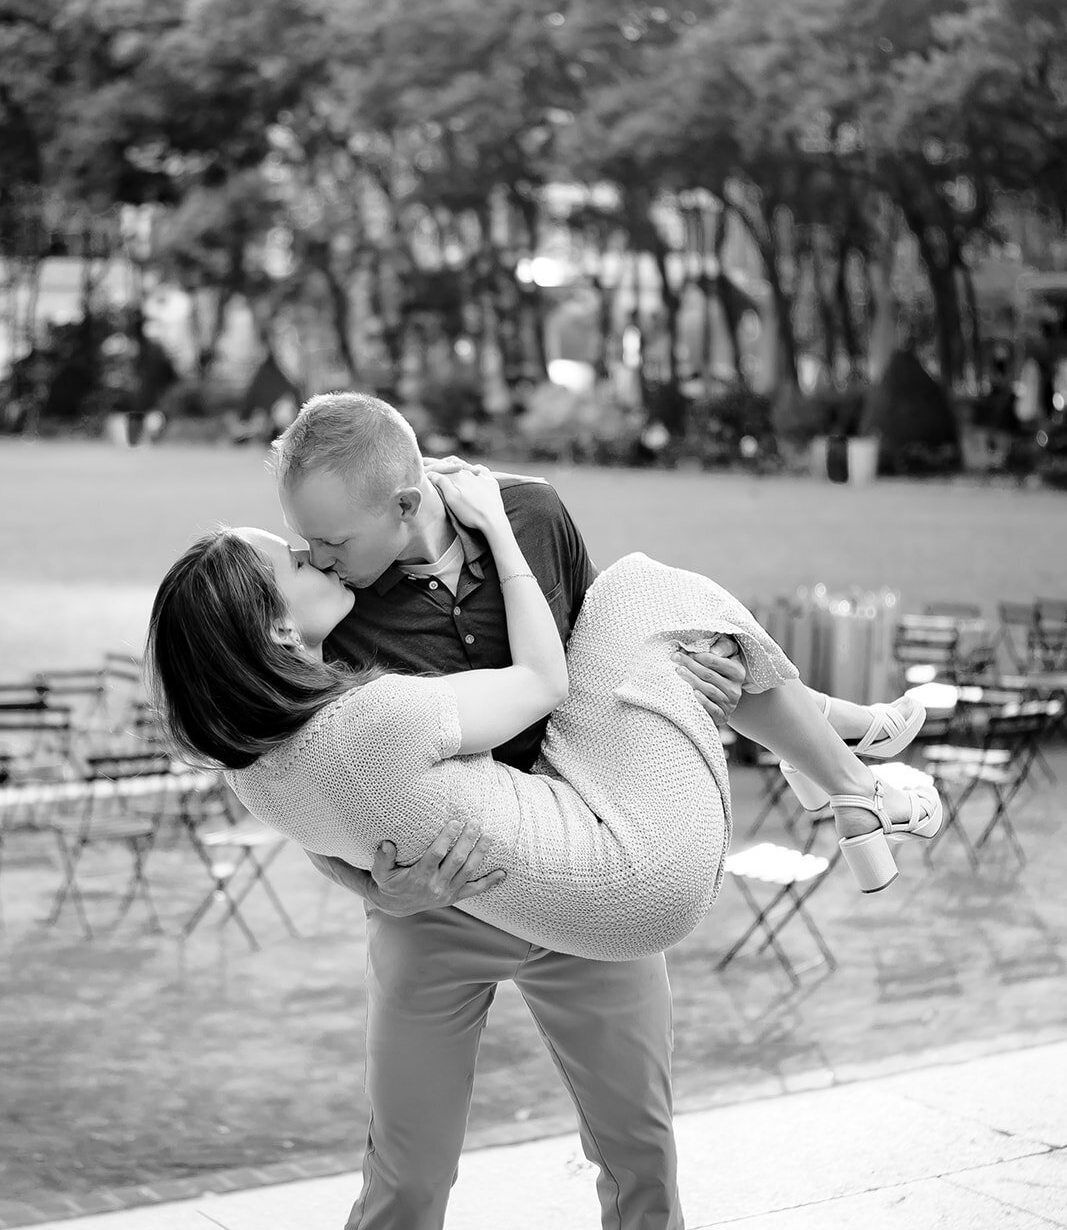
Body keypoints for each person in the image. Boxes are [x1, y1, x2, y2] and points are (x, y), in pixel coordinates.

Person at [147, 396, 940, 1230]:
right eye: (305, 547)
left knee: (641, 1157)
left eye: (331, 543)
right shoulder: (333, 628)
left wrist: (678, 679)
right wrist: (380, 891)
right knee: (406, 1179)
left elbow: (600, 645)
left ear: (405, 504)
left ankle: (840, 755)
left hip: (579, 857)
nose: (319, 559)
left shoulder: (531, 512)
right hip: (437, 915)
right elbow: (323, 801)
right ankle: (850, 766)